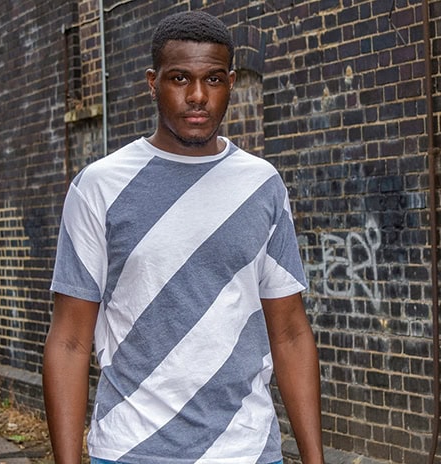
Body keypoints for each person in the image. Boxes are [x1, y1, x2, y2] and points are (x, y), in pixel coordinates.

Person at [42, 10, 324, 464]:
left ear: (230, 83)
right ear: (152, 83)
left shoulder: (262, 185)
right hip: (131, 451)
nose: (197, 96)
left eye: (212, 79)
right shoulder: (99, 187)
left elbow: (290, 333)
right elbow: (69, 341)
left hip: (246, 450)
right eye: (179, 79)